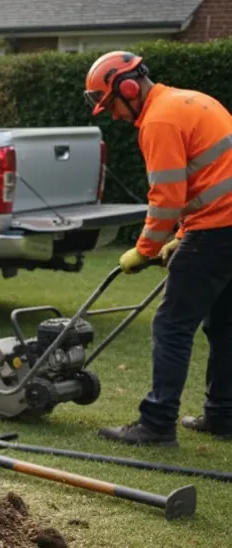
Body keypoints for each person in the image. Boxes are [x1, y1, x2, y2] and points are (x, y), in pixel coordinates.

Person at [85, 51, 232, 446]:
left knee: (171, 326)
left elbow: (166, 198)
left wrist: (145, 249)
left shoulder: (159, 121)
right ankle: (223, 415)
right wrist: (183, 236)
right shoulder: (192, 100)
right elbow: (209, 181)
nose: (114, 115)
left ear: (128, 88)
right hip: (222, 227)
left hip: (217, 232)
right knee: (224, 324)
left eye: (112, 105)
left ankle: (157, 423)